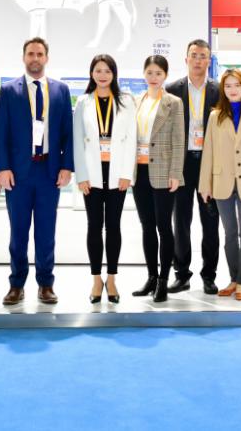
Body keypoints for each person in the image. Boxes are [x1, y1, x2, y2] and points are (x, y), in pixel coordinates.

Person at [0, 37, 74, 306]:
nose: (35, 58)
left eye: (40, 54)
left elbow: (67, 132)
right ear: (23, 57)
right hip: (18, 173)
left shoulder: (61, 90)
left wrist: (67, 166)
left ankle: (46, 283)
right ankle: (16, 284)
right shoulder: (9, 90)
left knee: (46, 231)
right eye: (31, 54)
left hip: (49, 171)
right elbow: (1, 132)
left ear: (46, 58)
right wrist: (3, 168)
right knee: (18, 232)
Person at [72, 54, 136, 304]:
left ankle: (112, 278)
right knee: (94, 226)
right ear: (91, 73)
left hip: (118, 173)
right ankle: (96, 279)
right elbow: (77, 140)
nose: (102, 75)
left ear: (114, 74)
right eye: (98, 70)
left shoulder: (126, 101)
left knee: (114, 226)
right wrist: (81, 175)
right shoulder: (83, 101)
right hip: (92, 175)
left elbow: (131, 139)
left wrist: (127, 173)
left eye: (107, 71)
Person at [199, 70, 241, 302]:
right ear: (223, 90)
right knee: (229, 233)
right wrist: (205, 185)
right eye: (227, 86)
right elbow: (208, 152)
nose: (232, 90)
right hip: (222, 182)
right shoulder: (215, 117)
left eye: (237, 85)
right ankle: (233, 278)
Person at [165, 39, 222, 295]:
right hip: (182, 162)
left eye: (203, 56)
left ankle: (209, 275)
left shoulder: (219, 91)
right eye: (194, 55)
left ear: (209, 61)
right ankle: (181, 274)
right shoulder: (172, 89)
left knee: (210, 221)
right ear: (186, 59)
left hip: (209, 163)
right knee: (181, 221)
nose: (198, 60)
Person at [128, 54, 184, 303]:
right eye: (149, 72)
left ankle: (163, 280)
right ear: (144, 74)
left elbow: (179, 140)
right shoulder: (135, 101)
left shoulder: (174, 103)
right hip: (139, 172)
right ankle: (151, 277)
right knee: (147, 226)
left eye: (158, 73)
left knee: (164, 227)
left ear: (165, 76)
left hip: (163, 172)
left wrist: (175, 173)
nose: (153, 77)